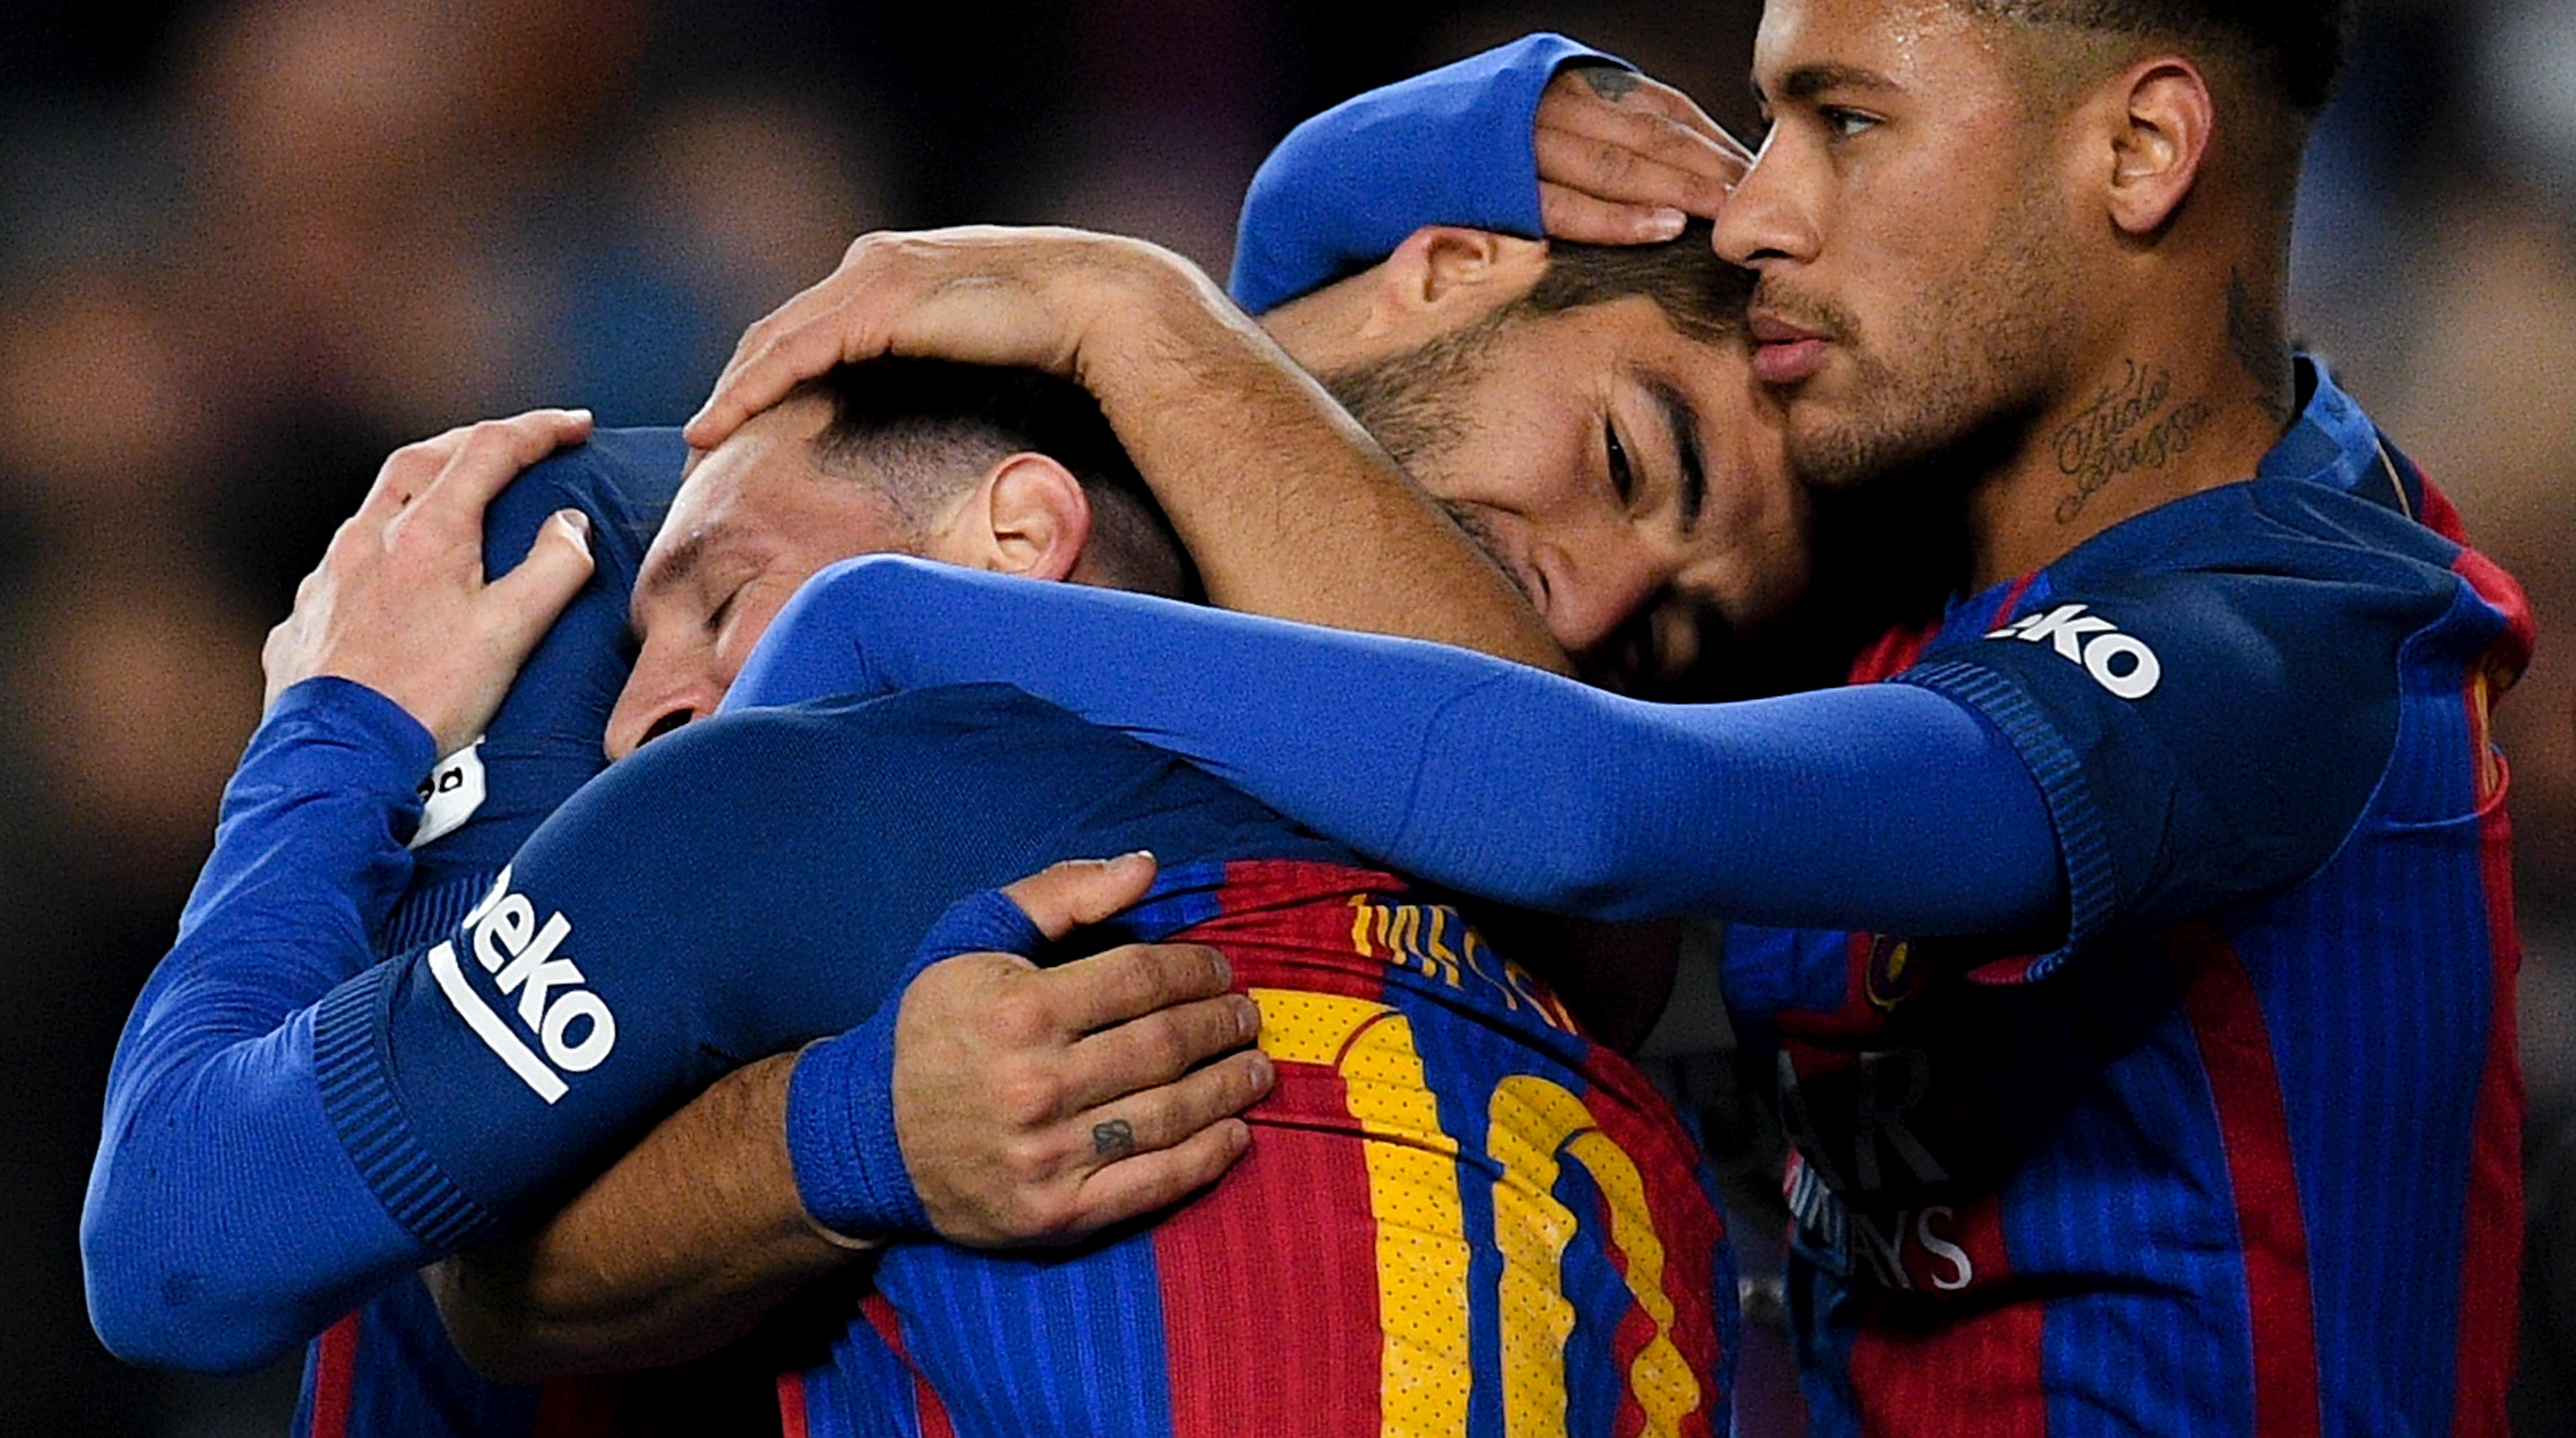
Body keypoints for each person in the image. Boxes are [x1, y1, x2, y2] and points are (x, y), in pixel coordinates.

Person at [675, 0, 2534, 1434]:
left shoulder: (2285, 644)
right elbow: (1353, 444)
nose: (1756, 209)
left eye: (1843, 122)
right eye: (1764, 124)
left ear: (2135, 151)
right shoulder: (1882, 538)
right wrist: (1447, 133)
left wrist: (944, 563)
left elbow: (1589, 801)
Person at [87, 358, 1735, 1438]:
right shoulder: (1535, 928)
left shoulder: (808, 791)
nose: (635, 716)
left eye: (717, 597)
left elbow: (176, 1245)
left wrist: (340, 732)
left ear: (1016, 533)